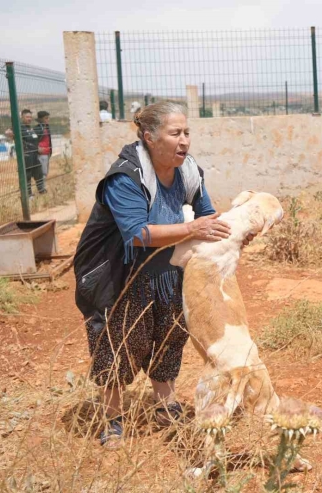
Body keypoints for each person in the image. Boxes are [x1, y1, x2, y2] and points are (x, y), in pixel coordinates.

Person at [73, 101, 254, 448]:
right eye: (175, 133)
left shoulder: (189, 171)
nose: (184, 140)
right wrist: (192, 228)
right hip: (119, 273)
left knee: (170, 336)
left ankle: (164, 405)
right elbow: (137, 234)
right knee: (118, 345)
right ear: (150, 137)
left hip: (169, 271)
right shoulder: (126, 177)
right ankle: (111, 419)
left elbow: (208, 217)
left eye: (187, 132)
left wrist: (237, 232)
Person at [20, 109, 46, 197]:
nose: (29, 119)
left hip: (35, 155)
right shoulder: (20, 127)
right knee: (27, 176)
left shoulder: (31, 128)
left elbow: (34, 140)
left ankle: (42, 192)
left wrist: (38, 147)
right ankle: (29, 195)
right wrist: (11, 134)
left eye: (30, 117)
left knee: (39, 174)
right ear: (22, 117)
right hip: (26, 155)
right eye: (27, 117)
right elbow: (8, 132)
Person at [35, 110, 52, 178]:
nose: (48, 119)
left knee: (45, 172)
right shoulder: (38, 129)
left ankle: (42, 187)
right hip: (42, 154)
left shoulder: (46, 127)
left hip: (47, 153)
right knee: (43, 173)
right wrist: (37, 148)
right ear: (41, 119)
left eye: (48, 118)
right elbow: (34, 140)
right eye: (46, 118)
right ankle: (42, 187)